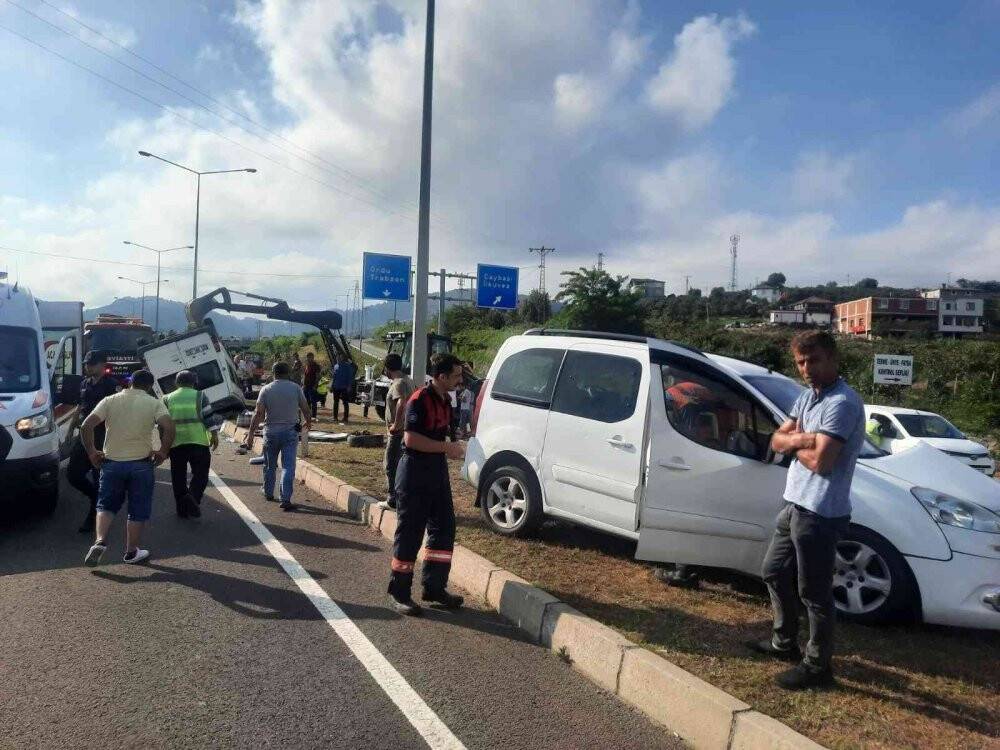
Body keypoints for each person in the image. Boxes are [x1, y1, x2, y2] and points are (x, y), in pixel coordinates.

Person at [747, 330, 864, 690]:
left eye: (814, 360)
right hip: (795, 503)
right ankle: (784, 642)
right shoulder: (807, 397)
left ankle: (817, 667)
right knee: (773, 571)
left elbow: (821, 463)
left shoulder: (841, 403)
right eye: (800, 362)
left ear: (833, 359)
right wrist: (803, 439)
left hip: (820, 512)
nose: (806, 368)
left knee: (814, 592)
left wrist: (792, 443)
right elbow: (776, 439)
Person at [387, 353, 466, 616]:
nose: (460, 380)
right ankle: (399, 592)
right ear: (441, 376)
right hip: (414, 472)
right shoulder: (419, 399)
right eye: (456, 375)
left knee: (444, 528)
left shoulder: (447, 400)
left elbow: (445, 436)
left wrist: (457, 446)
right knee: (410, 533)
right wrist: (446, 447)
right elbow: (410, 439)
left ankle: (434, 587)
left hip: (437, 472)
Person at [81, 369, 175, 566]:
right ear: (149, 386)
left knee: (106, 505)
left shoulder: (110, 400)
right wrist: (163, 451)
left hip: (111, 463)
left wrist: (92, 452)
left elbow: (86, 426)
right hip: (141, 464)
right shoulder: (154, 403)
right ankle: (131, 552)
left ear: (130, 382)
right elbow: (169, 427)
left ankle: (100, 541)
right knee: (137, 509)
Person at [244, 361, 311, 511]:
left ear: (273, 373)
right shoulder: (296, 388)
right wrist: (308, 421)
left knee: (270, 465)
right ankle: (285, 498)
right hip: (290, 433)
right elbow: (305, 408)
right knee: (288, 466)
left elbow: (258, 414)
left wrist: (250, 434)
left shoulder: (266, 389)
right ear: (288, 373)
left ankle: (268, 492)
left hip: (271, 432)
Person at [67, 350, 120, 532]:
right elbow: (80, 407)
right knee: (73, 474)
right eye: (86, 364)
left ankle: (92, 518)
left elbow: (117, 412)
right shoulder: (84, 383)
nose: (87, 367)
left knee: (99, 479)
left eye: (92, 364)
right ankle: (94, 497)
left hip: (103, 436)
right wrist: (70, 429)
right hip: (84, 434)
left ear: (103, 364)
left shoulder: (112, 385)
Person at [164, 370, 221, 519]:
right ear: (194, 382)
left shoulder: (167, 398)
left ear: (176, 383)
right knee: (201, 475)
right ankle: (193, 497)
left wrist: (165, 446)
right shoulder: (200, 396)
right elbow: (208, 417)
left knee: (178, 477)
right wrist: (214, 435)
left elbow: (162, 425)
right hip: (198, 442)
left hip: (176, 443)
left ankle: (182, 510)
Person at [380, 353, 415, 510]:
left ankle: (392, 499)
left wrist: (396, 424)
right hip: (407, 431)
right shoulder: (408, 380)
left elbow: (401, 402)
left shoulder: (398, 383)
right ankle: (402, 497)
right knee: (402, 466)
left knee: (390, 464)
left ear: (387, 369)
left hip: (397, 433)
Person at [331, 355, 355, 424]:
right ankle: (335, 417)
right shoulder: (336, 366)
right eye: (337, 358)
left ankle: (345, 418)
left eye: (339, 358)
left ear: (342, 358)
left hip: (344, 387)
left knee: (345, 402)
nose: (338, 359)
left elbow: (350, 377)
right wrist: (332, 385)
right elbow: (334, 377)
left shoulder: (348, 366)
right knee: (336, 402)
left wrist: (349, 386)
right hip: (336, 387)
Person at [302, 351, 321, 419]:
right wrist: (304, 385)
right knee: (307, 401)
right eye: (308, 357)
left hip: (312, 386)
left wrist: (315, 386)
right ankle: (308, 415)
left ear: (313, 357)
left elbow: (318, 377)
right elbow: (305, 376)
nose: (309, 358)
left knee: (313, 401)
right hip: (306, 386)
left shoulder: (316, 366)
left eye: (310, 357)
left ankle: (314, 416)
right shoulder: (307, 365)